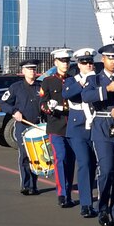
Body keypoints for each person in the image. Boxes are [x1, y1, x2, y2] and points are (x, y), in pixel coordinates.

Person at [82, 44, 114, 226]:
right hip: (102, 127)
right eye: (110, 58)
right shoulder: (95, 79)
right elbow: (86, 96)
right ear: (103, 60)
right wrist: (107, 89)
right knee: (107, 169)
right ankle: (102, 209)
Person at [62, 48, 99, 218]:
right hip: (77, 129)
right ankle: (86, 203)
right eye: (84, 62)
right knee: (84, 163)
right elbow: (67, 93)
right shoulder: (72, 80)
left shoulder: (97, 80)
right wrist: (84, 82)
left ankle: (93, 197)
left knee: (93, 165)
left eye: (90, 62)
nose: (88, 65)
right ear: (78, 64)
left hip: (95, 126)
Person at [0, 60, 45, 195]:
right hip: (23, 126)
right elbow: (3, 103)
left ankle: (34, 185)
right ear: (23, 71)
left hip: (37, 126)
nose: (32, 71)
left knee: (36, 155)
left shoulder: (41, 87)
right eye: (29, 69)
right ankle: (25, 185)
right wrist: (14, 111)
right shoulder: (16, 87)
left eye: (34, 69)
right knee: (25, 155)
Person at [40, 48, 77, 208]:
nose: (65, 64)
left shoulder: (73, 80)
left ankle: (67, 192)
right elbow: (42, 103)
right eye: (62, 61)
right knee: (60, 158)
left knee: (71, 161)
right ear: (55, 62)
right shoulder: (48, 81)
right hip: (56, 125)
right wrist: (49, 107)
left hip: (73, 127)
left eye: (67, 61)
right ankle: (62, 194)